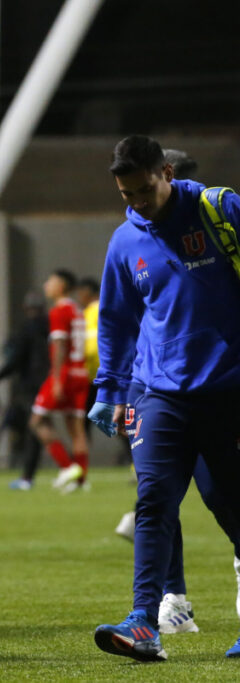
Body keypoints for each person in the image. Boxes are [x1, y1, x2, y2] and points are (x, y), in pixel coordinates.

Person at [90, 135, 240, 661]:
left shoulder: (219, 212)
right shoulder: (124, 243)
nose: (136, 202)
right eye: (126, 195)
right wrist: (108, 389)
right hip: (160, 395)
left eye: (143, 190)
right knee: (153, 501)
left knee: (229, 502)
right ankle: (144, 622)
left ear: (166, 174)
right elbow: (115, 321)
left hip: (228, 390)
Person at [29, 269, 90, 492]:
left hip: (64, 373)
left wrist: (56, 379)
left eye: (51, 281)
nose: (47, 285)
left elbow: (60, 345)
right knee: (76, 428)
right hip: (81, 373)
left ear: (61, 286)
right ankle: (81, 480)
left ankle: (67, 467)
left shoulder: (59, 311)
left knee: (36, 421)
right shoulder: (77, 310)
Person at [0, 292, 49, 490]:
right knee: (67, 426)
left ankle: (59, 468)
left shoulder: (26, 329)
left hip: (31, 385)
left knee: (35, 426)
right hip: (52, 381)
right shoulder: (50, 326)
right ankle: (71, 466)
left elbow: (16, 358)